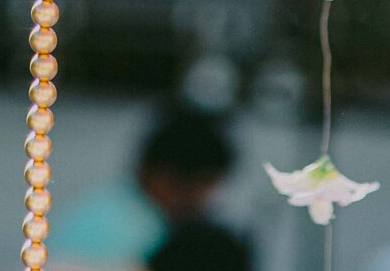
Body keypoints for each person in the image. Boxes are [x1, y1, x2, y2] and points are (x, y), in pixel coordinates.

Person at [54, 105, 253, 270]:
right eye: (205, 188)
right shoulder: (141, 234)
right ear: (164, 179)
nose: (206, 202)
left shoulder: (106, 207)